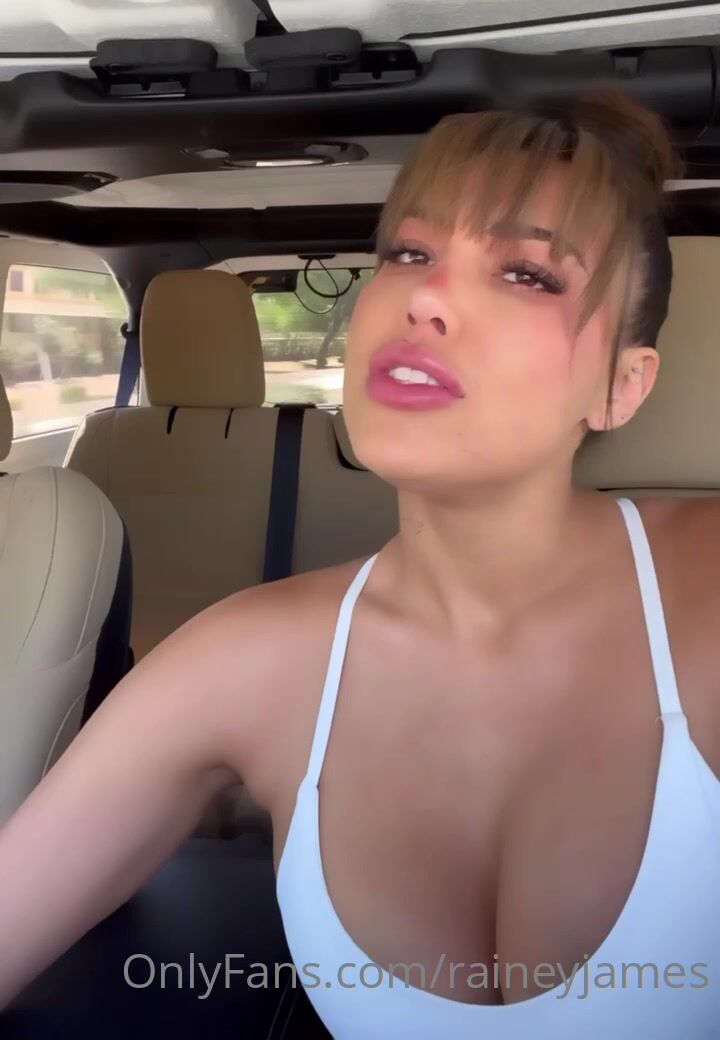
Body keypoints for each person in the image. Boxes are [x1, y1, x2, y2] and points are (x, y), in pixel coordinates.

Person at [1, 90, 719, 1038]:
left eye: (527, 274)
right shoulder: (245, 658)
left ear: (622, 387)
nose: (425, 298)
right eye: (410, 253)